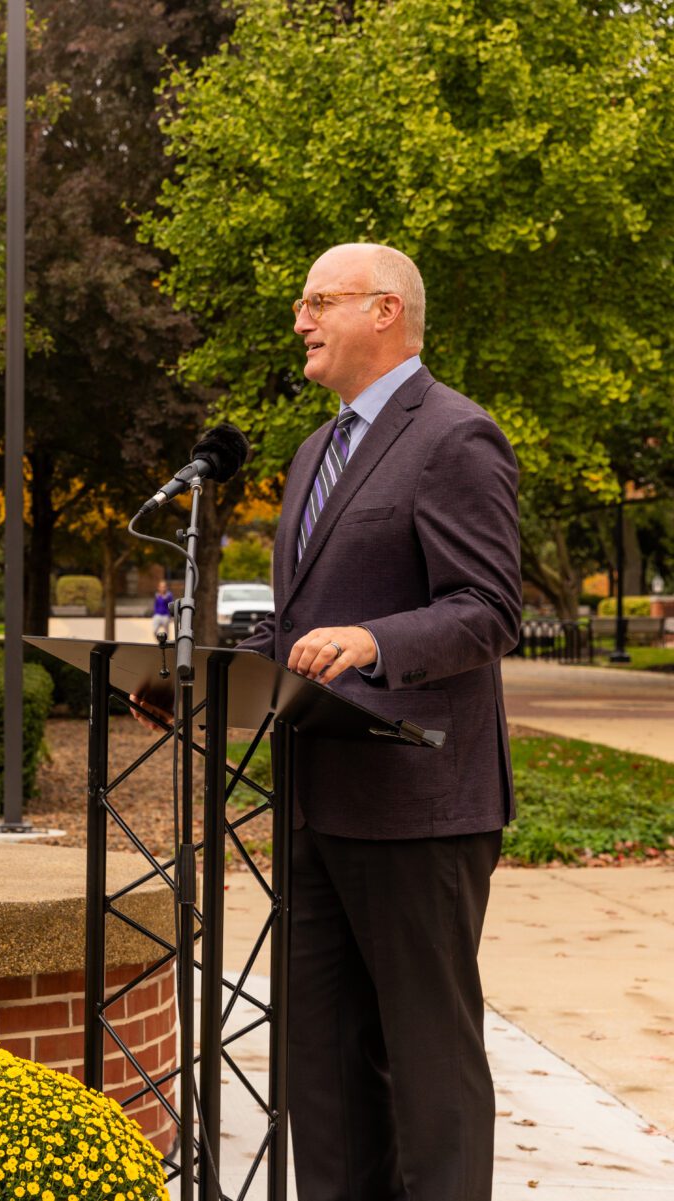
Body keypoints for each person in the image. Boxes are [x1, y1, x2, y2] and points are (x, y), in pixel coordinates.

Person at [237, 242, 521, 1200]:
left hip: (420, 806)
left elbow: (487, 607)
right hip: (319, 802)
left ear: (385, 310)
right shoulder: (316, 451)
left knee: (429, 1067)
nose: (300, 319)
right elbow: (299, 620)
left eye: (318, 301)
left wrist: (374, 639)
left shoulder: (455, 435)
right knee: (322, 1061)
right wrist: (217, 668)